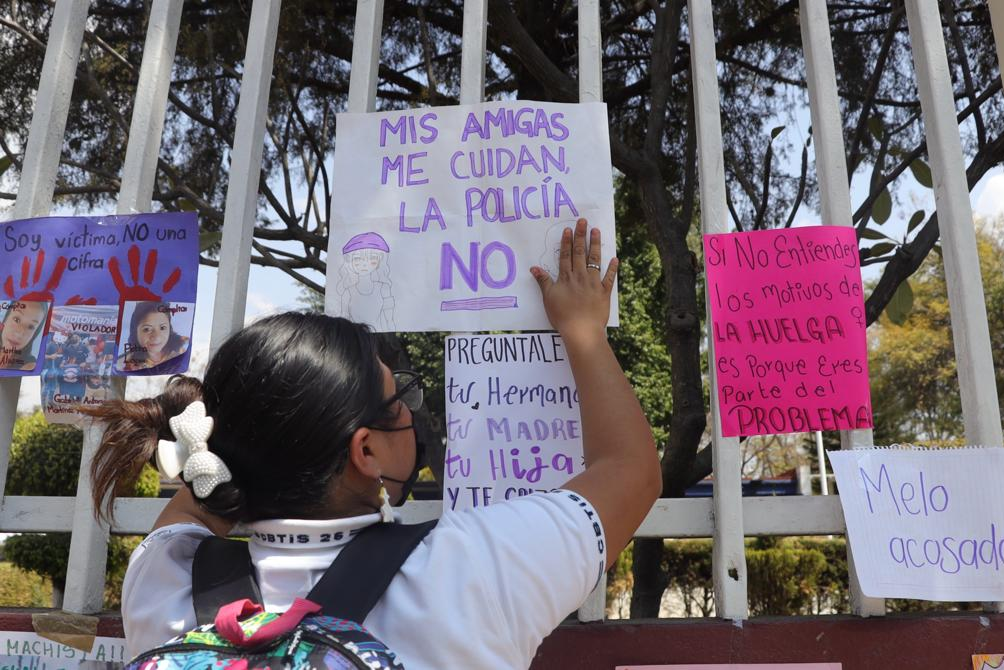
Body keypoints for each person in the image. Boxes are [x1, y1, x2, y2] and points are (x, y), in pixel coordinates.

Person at [88, 219, 661, 669]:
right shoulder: (471, 568)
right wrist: (584, 330)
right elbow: (631, 468)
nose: (410, 413)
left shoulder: (165, 579)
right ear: (365, 452)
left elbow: (203, 483)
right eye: (398, 400)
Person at [116, 301, 189, 372]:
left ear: (170, 328)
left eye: (162, 328)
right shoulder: (123, 364)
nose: (156, 337)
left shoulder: (181, 351)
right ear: (135, 332)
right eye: (147, 329)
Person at [0, 300, 49, 371]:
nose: (19, 334)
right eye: (16, 320)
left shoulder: (29, 366)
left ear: (35, 334)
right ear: (6, 319)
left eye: (31, 327)